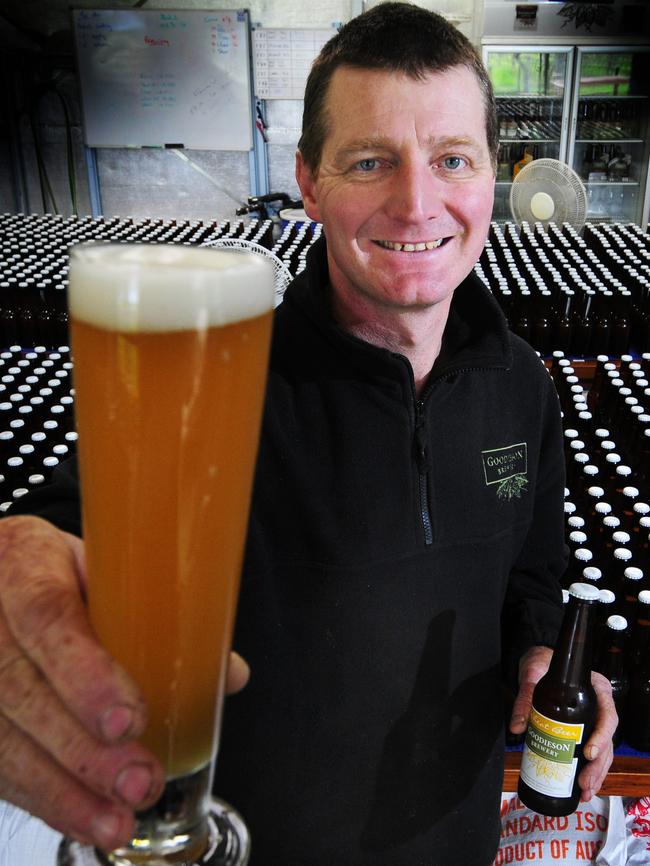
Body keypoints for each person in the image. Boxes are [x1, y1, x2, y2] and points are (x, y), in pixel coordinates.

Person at [0, 4, 617, 864]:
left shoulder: (521, 385)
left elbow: (532, 582)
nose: (416, 201)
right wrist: (19, 559)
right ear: (309, 181)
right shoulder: (225, 380)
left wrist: (548, 658)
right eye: (370, 161)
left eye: (451, 159)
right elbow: (77, 528)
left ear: (490, 177)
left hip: (455, 843)